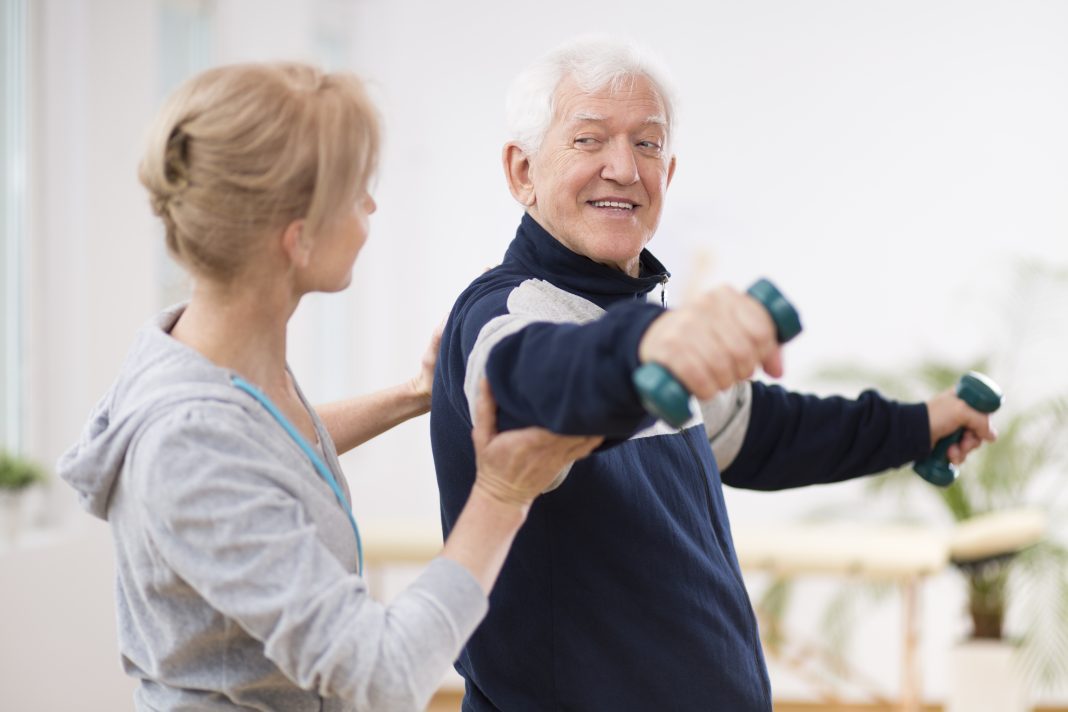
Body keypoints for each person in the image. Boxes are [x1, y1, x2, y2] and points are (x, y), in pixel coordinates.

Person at [430, 37, 997, 710]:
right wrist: (650, 348)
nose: (623, 168)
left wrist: (915, 427)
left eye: (646, 145)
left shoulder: (636, 307)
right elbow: (542, 380)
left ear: (668, 173)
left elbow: (761, 430)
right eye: (589, 140)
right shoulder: (504, 316)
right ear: (522, 170)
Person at [57, 62, 601, 712]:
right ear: (299, 236)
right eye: (356, 191)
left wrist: (414, 392)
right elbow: (381, 675)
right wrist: (502, 494)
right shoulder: (187, 443)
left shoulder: (203, 357)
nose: (370, 206)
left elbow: (263, 444)